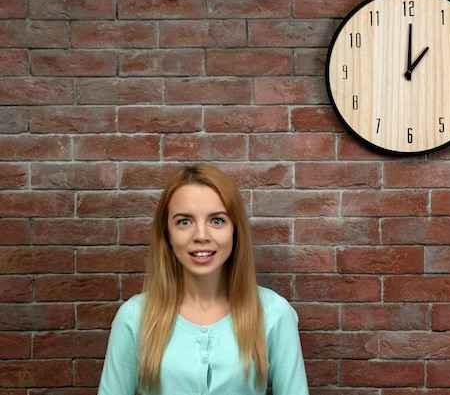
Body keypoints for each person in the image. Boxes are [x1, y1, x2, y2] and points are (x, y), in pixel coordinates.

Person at [98, 164, 309, 395]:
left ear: (235, 230)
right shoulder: (134, 317)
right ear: (167, 233)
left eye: (217, 220)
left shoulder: (274, 313)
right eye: (184, 221)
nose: (201, 236)